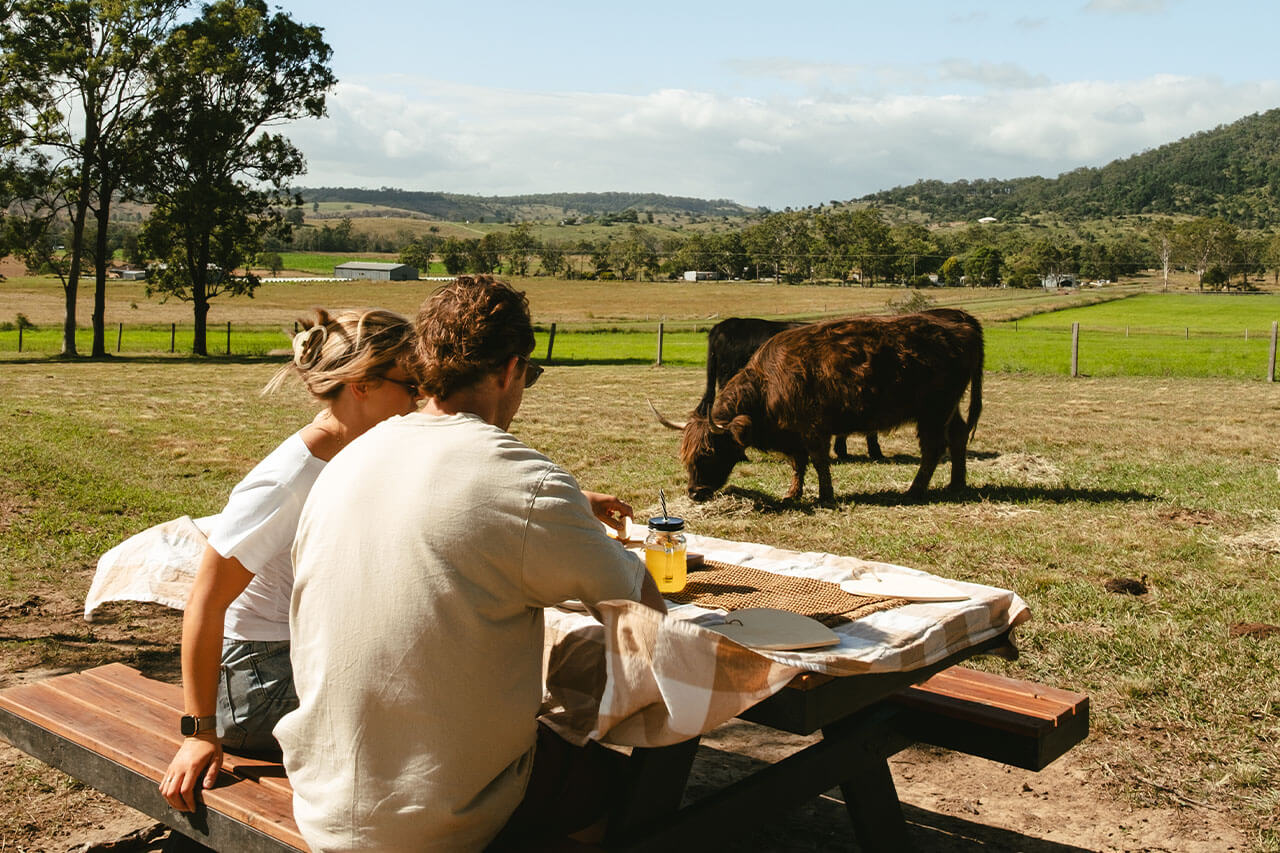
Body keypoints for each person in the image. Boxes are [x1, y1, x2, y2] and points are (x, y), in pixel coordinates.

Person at [276, 275, 665, 851]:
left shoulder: (350, 459)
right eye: (527, 375)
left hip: (323, 792)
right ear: (510, 370)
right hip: (440, 814)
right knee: (615, 781)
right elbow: (645, 616)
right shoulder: (525, 480)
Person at [159, 308, 421, 813]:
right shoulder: (289, 478)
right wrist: (197, 731)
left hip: (305, 653)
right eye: (411, 386)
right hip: (259, 681)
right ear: (361, 384)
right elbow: (205, 602)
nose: (420, 400)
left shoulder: (361, 449)